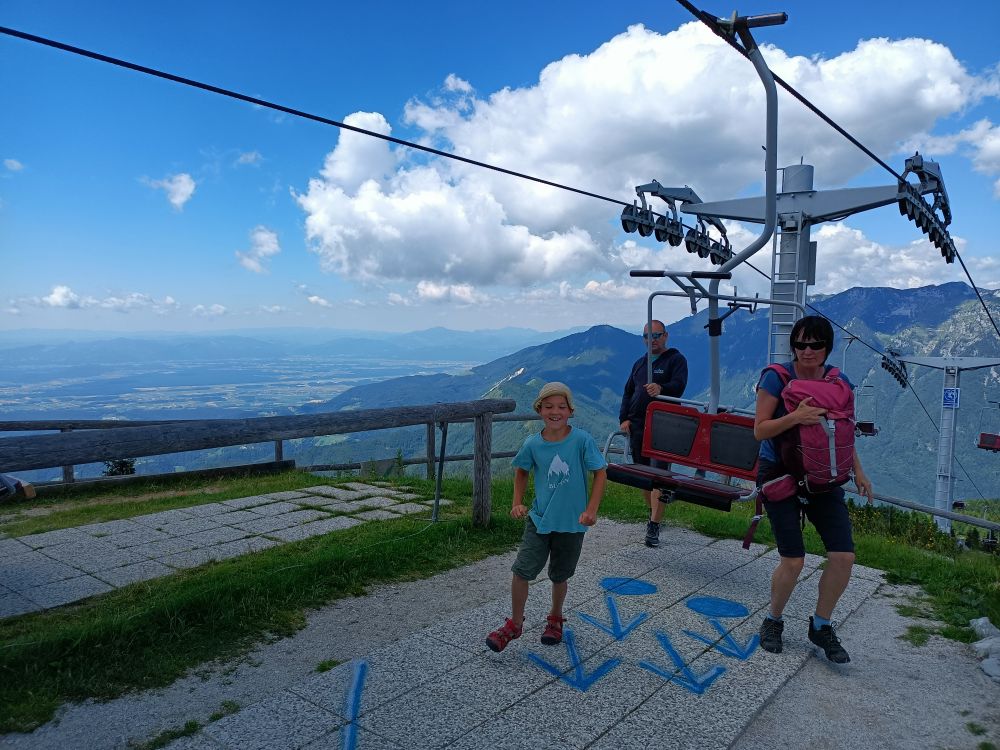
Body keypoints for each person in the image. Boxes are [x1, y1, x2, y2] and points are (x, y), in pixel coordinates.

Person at [754, 315, 873, 664]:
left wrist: (858, 472)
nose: (807, 351)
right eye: (800, 344)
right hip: (779, 471)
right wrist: (796, 418)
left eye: (815, 344)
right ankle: (772, 620)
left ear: (826, 348)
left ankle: (821, 626)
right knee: (793, 559)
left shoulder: (839, 381)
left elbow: (840, 433)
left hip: (823, 473)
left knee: (843, 556)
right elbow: (760, 430)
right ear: (793, 345)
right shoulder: (775, 378)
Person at [486, 382, 607, 653]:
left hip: (572, 524)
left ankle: (555, 618)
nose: (555, 412)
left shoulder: (582, 441)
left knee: (559, 575)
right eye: (549, 406)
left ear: (570, 411)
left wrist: (592, 510)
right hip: (539, 520)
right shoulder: (533, 444)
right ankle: (515, 624)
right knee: (521, 571)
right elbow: (521, 470)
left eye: (561, 407)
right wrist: (517, 502)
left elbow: (600, 472)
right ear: (539, 410)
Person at [618, 319, 688, 548]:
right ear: (643, 339)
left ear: (666, 336)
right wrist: (624, 418)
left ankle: (654, 525)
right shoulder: (640, 363)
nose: (653, 340)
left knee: (659, 475)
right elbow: (628, 392)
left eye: (657, 335)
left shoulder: (676, 359)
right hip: (637, 424)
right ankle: (652, 513)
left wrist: (661, 388)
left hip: (664, 426)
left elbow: (679, 385)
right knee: (643, 475)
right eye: (648, 336)